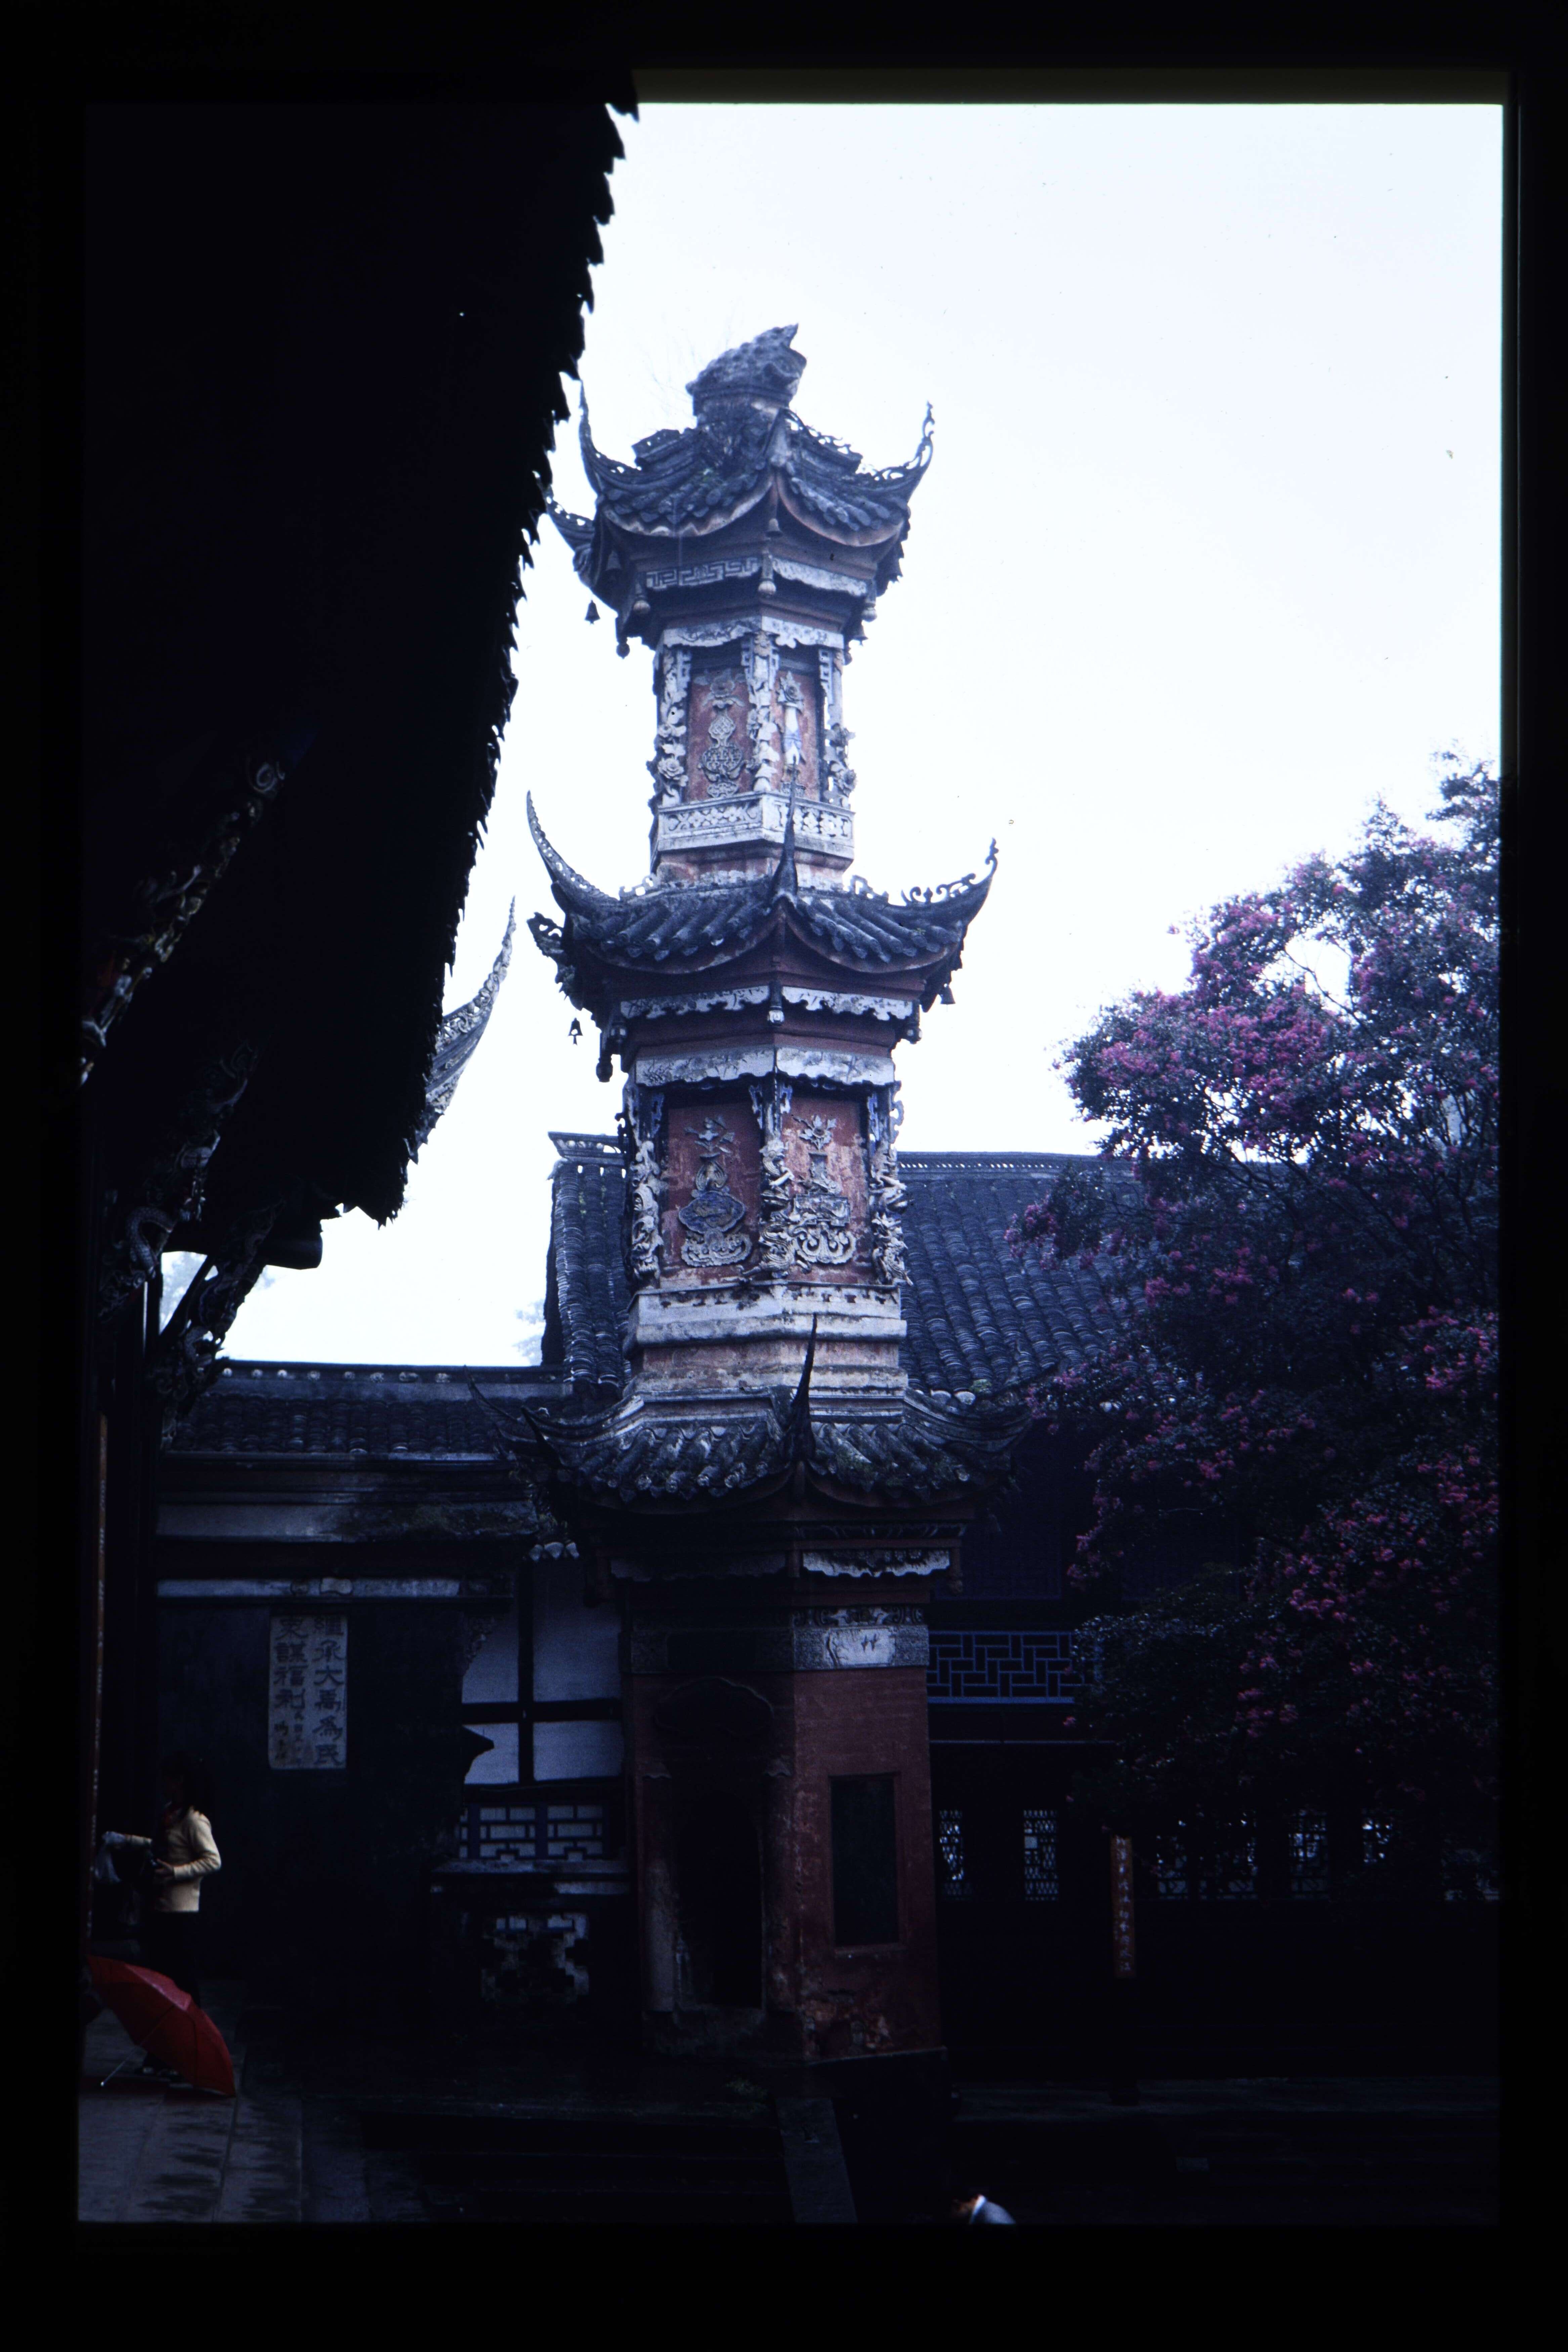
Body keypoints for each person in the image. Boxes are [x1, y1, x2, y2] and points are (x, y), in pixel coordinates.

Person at [103, 1752, 221, 2026]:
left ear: (179, 1781)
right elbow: (163, 1845)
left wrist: (176, 1872)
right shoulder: (171, 1813)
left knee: (183, 1980)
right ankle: (167, 2038)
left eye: (167, 1778)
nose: (162, 1783)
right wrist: (128, 1841)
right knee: (162, 1978)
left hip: (180, 1913)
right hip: (160, 1906)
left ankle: (193, 2033)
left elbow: (213, 1860)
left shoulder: (194, 1820)